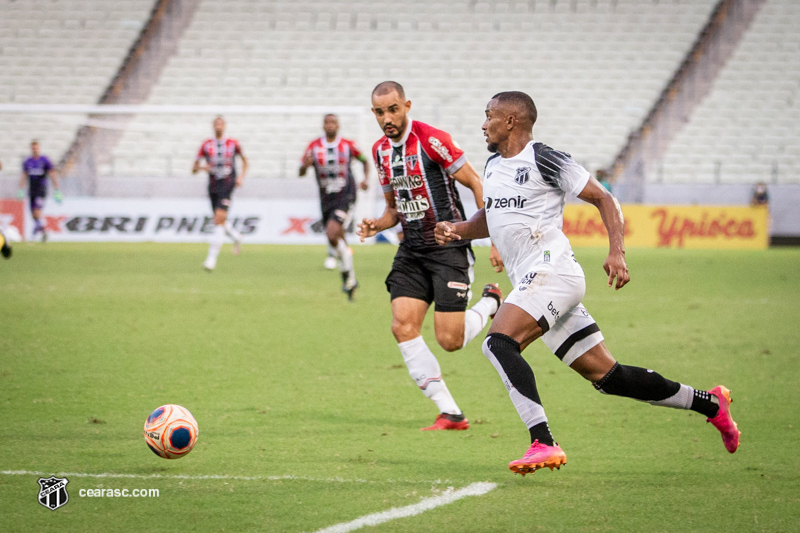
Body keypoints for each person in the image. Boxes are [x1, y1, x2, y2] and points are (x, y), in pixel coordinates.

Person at [434, 91, 740, 474]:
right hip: (537, 280)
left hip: (551, 271)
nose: (483, 123)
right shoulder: (495, 163)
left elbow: (603, 199)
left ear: (511, 120)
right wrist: (458, 230)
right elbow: (491, 216)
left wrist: (617, 252)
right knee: (608, 377)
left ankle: (543, 441)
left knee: (498, 344)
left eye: (489, 115)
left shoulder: (545, 157)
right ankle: (711, 403)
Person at [358, 81, 504, 431]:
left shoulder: (431, 139)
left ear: (406, 105)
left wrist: (493, 236)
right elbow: (393, 209)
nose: (387, 118)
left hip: (447, 248)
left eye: (393, 109)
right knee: (402, 325)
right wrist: (376, 224)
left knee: (449, 341)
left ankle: (489, 304)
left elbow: (476, 183)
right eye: (380, 112)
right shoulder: (380, 152)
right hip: (410, 250)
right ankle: (450, 411)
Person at [300, 114, 370, 299]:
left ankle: (347, 274)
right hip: (326, 199)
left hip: (346, 195)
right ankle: (350, 279)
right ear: (323, 126)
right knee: (337, 238)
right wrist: (305, 166)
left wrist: (365, 180)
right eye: (327, 122)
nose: (330, 125)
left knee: (332, 232)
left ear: (338, 125)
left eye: (333, 122)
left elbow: (365, 161)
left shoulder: (348, 145)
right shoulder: (313, 147)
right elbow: (300, 171)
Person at [192, 117, 248, 271]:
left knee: (218, 219)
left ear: (224, 126)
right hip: (213, 186)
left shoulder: (232, 144)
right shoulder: (206, 145)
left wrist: (241, 177)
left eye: (220, 124)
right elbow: (194, 168)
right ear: (212, 127)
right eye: (216, 124)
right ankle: (236, 236)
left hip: (227, 184)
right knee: (219, 221)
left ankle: (211, 258)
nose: (218, 126)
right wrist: (204, 168)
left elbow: (245, 162)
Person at [17, 140, 61, 242]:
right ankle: (42, 230)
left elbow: (52, 174)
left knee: (37, 212)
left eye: (36, 148)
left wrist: (57, 189)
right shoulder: (28, 162)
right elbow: (24, 176)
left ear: (39, 148)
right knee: (33, 215)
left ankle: (34, 234)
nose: (35, 149)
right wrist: (20, 190)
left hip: (41, 190)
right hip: (31, 190)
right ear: (31, 149)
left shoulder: (44, 160)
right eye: (33, 148)